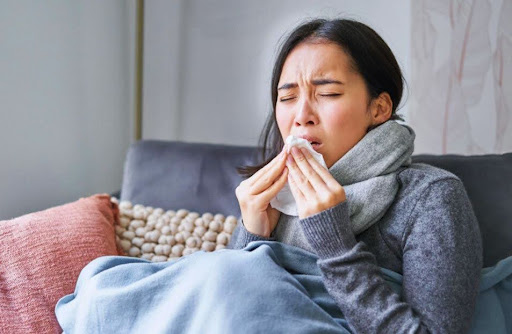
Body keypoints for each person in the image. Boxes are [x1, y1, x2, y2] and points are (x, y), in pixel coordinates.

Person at [228, 18, 482, 333]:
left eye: (329, 93)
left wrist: (335, 244)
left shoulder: (431, 198)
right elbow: (229, 310)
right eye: (287, 98)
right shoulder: (272, 199)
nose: (302, 116)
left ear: (379, 108)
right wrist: (252, 234)